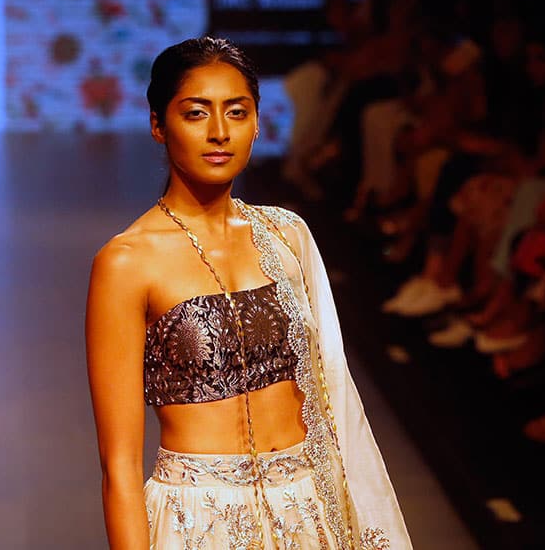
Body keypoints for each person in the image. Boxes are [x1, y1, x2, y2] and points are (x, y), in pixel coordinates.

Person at [85, 37, 411, 548]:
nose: (219, 133)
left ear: (257, 122)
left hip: (307, 511)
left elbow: (331, 405)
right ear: (158, 124)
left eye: (237, 113)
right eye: (195, 114)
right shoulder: (127, 261)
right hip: (199, 521)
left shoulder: (287, 236)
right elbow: (119, 465)